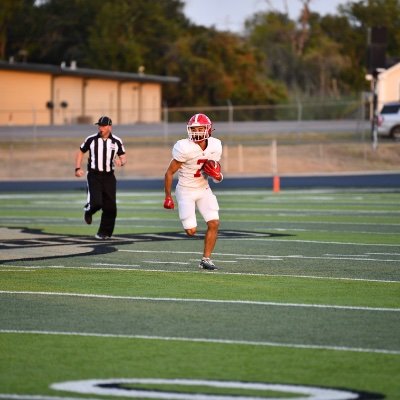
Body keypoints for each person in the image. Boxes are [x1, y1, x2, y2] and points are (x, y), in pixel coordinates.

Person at [164, 113, 223, 271]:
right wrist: (168, 196)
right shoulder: (184, 147)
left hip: (203, 188)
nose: (196, 132)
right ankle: (189, 224)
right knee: (191, 231)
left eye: (200, 128)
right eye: (193, 129)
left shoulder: (215, 145)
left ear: (208, 129)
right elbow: (169, 173)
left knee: (214, 223)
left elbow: (215, 172)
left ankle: (206, 259)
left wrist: (219, 176)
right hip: (185, 190)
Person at [75, 116, 126, 240]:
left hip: (109, 176)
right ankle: (89, 211)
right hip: (94, 175)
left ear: (109, 127)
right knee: (97, 202)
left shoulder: (116, 141)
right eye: (99, 125)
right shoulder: (91, 139)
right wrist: (77, 168)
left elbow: (123, 156)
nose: (101, 128)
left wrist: (121, 161)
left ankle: (104, 232)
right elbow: (81, 151)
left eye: (103, 125)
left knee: (111, 207)